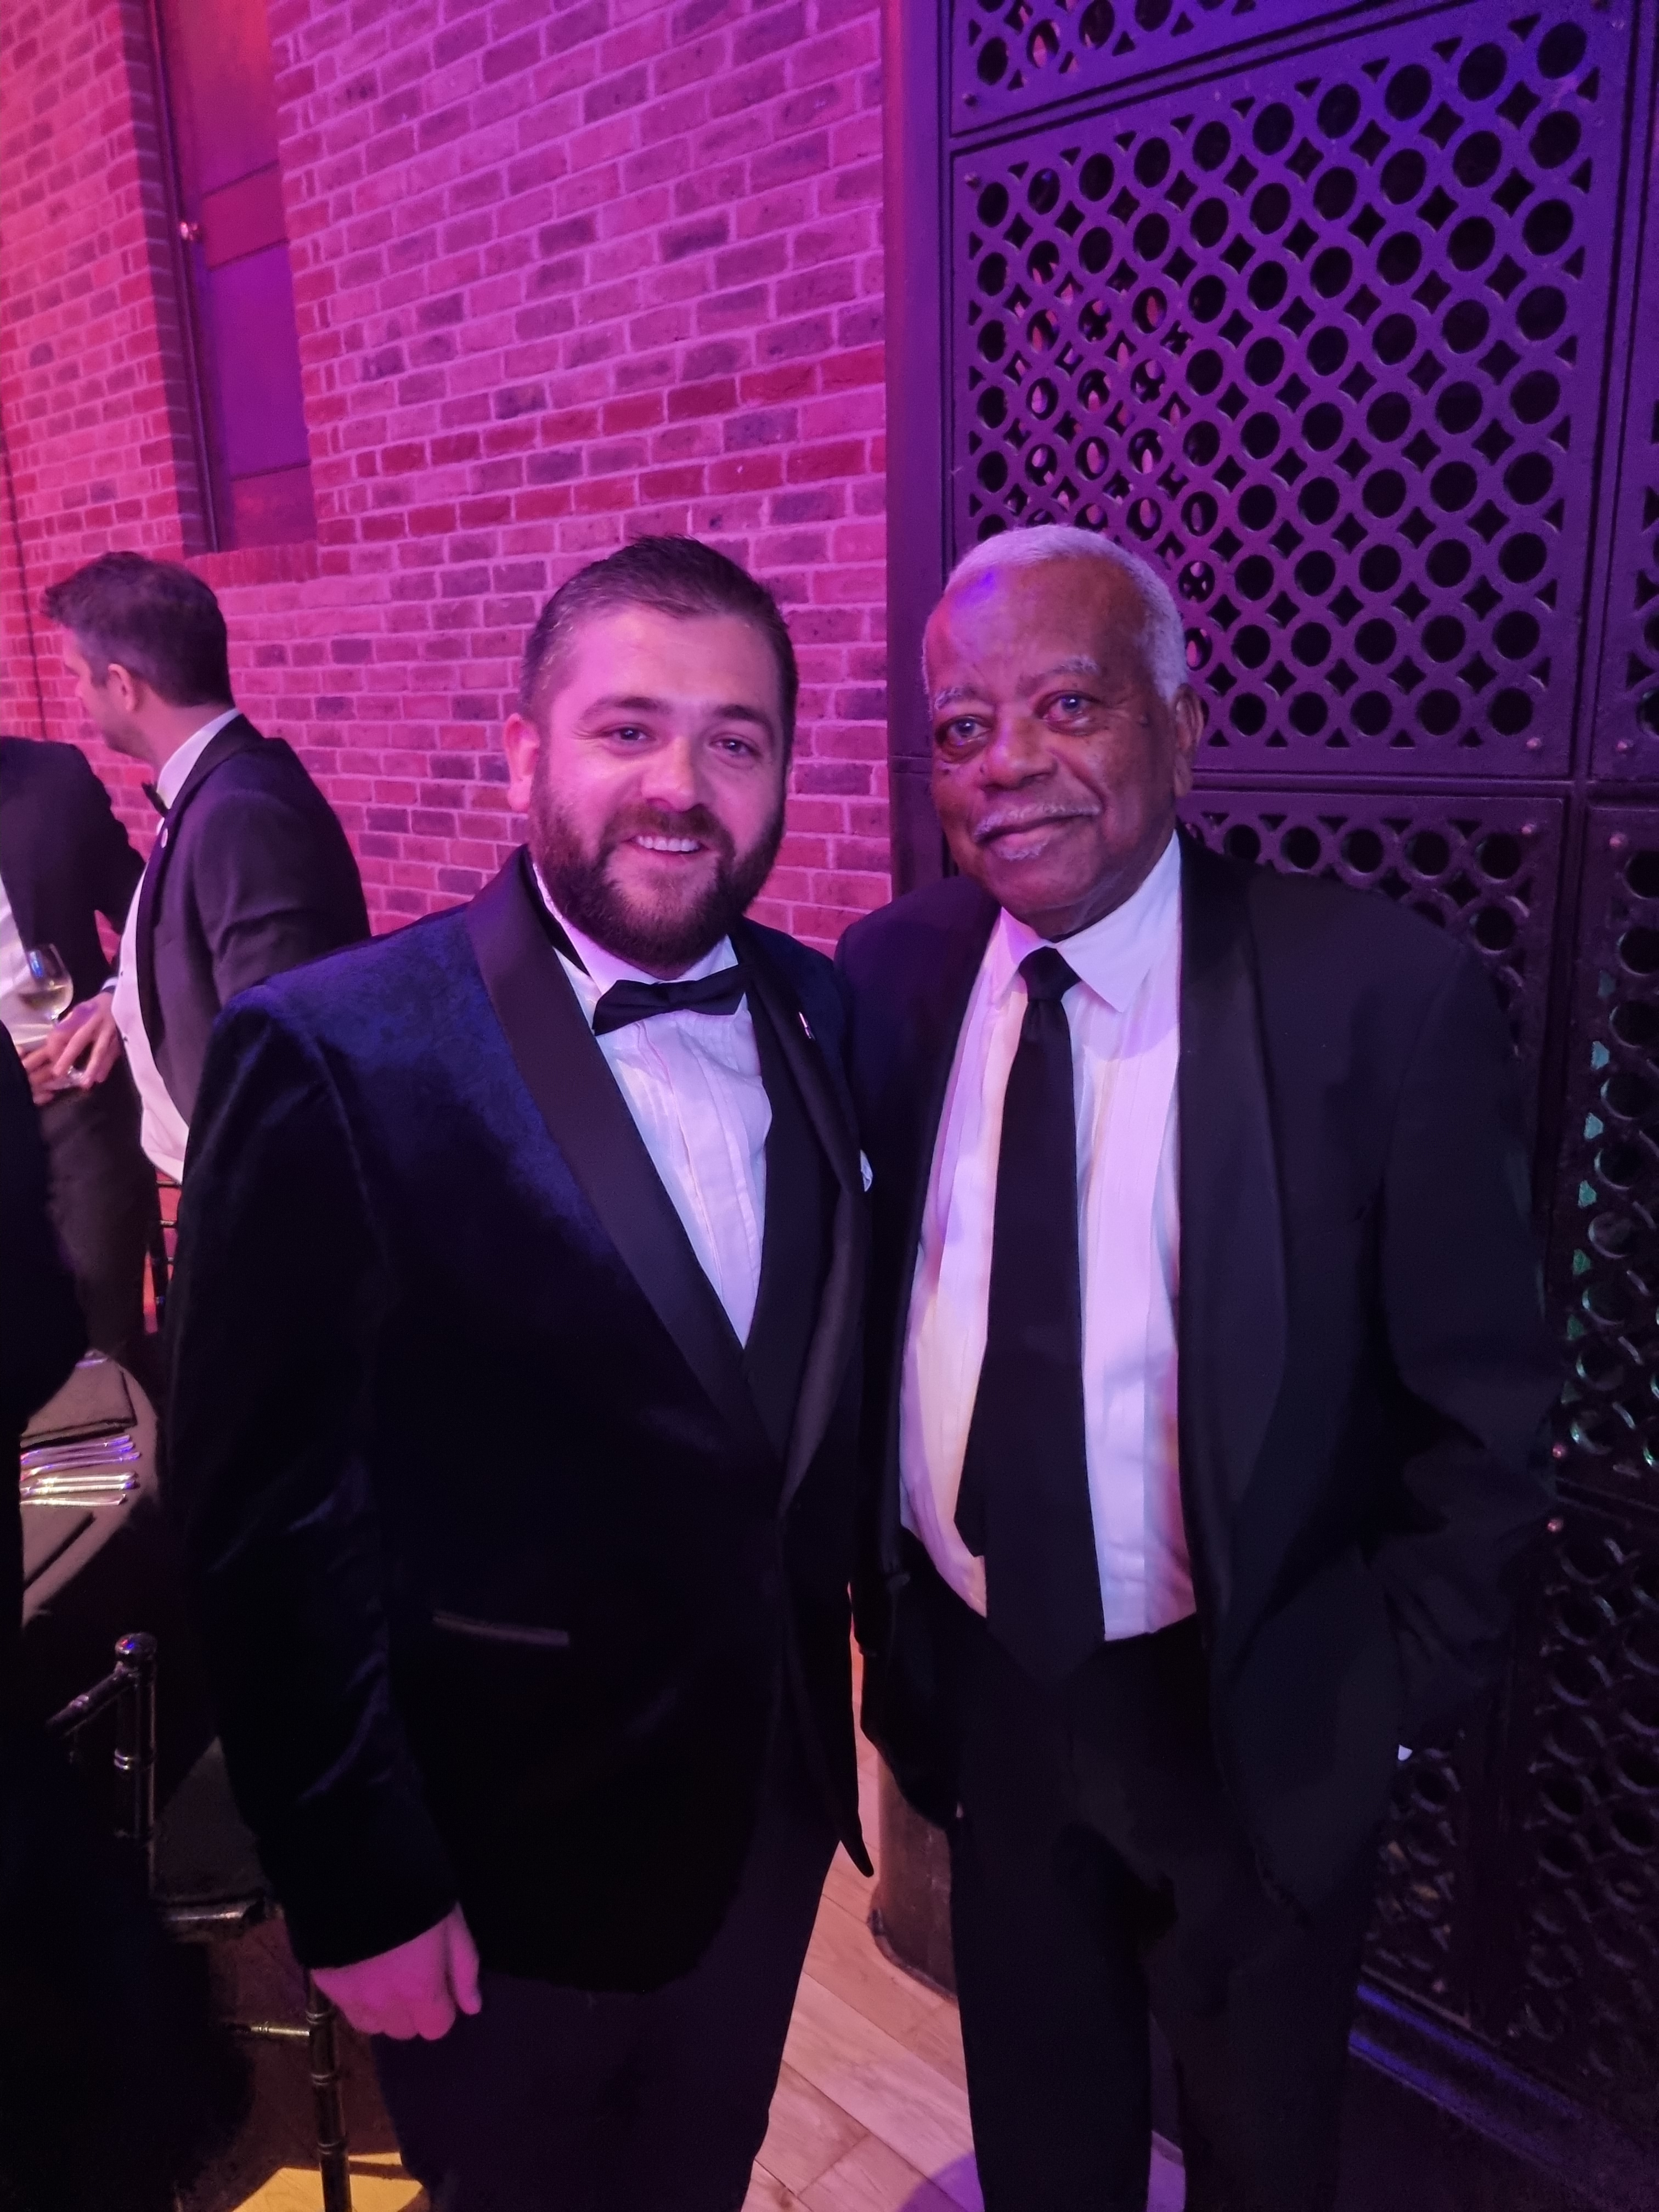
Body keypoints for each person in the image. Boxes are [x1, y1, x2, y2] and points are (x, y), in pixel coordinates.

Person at [837, 525, 1559, 2212]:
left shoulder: (1374, 998)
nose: (1008, 763)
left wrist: (1369, 1705)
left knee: (1261, 2149)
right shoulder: (891, 975)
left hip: (1248, 1716)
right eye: (962, 726)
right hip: (994, 1686)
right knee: (1042, 2130)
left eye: (1069, 704)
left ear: (1181, 723)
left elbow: (1487, 1423)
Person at [164, 537, 870, 2211]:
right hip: (497, 1861)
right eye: (629, 729)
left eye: (736, 739)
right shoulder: (334, 1051)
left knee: (698, 2178)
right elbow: (262, 1528)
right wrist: (357, 1885)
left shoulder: (824, 1013)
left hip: (764, 1818)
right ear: (523, 752)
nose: (682, 785)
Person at [38, 552, 369, 1181]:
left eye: (77, 676)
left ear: (123, 685)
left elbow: (282, 1064)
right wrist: (120, 1001)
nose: (76, 695)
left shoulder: (241, 812)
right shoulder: (215, 792)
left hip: (257, 1195)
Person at [0, 733, 159, 1386]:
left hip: (79, 1102)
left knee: (102, 1346)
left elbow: (147, 907)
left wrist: (117, 1000)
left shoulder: (53, 778)